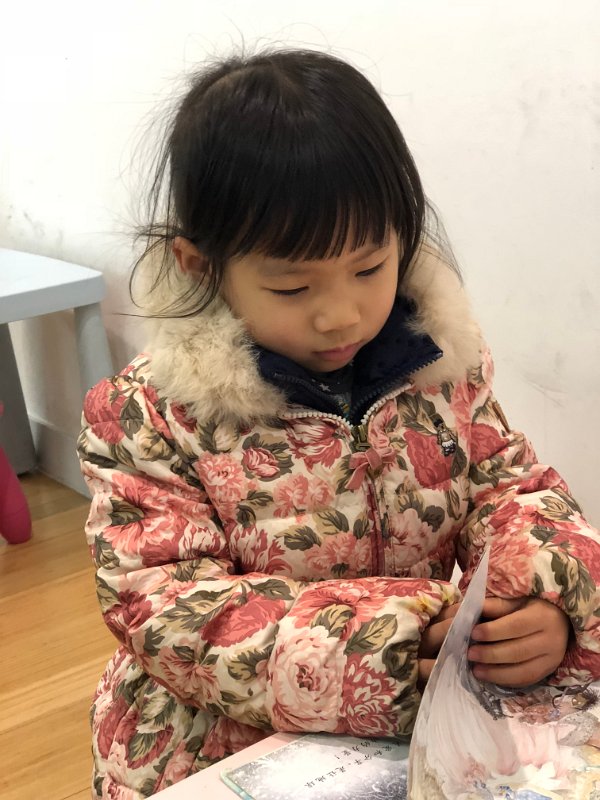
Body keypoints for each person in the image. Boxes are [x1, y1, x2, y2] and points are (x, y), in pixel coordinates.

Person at [77, 48, 600, 798]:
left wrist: (546, 597)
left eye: (368, 268)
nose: (342, 315)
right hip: (214, 747)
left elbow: (508, 489)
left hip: (423, 724)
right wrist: (386, 645)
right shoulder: (149, 416)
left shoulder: (441, 368)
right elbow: (166, 607)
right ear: (200, 265)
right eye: (293, 287)